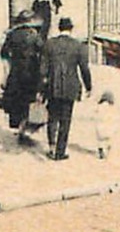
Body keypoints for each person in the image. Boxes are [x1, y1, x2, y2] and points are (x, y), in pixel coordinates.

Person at [40, 16, 93, 161]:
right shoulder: (78, 46)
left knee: (52, 117)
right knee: (66, 119)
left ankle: (51, 146)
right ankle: (60, 151)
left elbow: (42, 69)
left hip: (52, 86)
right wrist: (89, 87)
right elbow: (84, 69)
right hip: (70, 86)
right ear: (71, 28)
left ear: (59, 28)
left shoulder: (49, 44)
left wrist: (41, 87)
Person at [0, 10, 44, 143]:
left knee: (16, 98)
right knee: (27, 99)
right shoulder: (34, 35)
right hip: (30, 70)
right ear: (30, 21)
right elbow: (42, 51)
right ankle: (24, 129)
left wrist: (7, 67)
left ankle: (18, 126)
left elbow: (4, 53)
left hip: (16, 69)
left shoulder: (12, 34)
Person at [92, 90, 115, 160]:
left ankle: (101, 150)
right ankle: (107, 149)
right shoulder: (111, 107)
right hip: (108, 127)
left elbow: (95, 113)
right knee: (108, 140)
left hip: (100, 127)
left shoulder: (99, 106)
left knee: (100, 140)